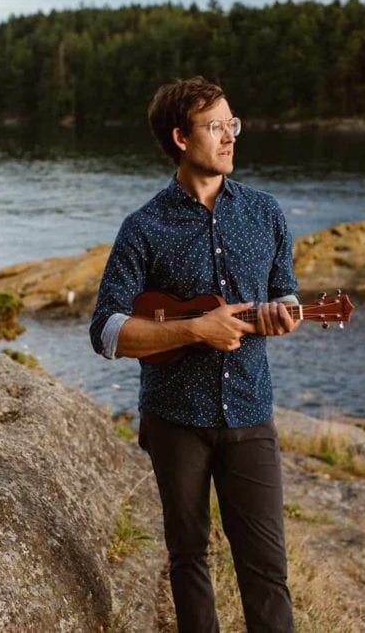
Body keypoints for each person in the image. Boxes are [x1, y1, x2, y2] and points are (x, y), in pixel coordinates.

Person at [89, 76, 299, 632]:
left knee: (267, 568)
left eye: (233, 124)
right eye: (216, 127)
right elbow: (107, 331)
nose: (230, 137)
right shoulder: (143, 228)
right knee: (188, 557)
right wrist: (195, 330)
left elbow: (286, 294)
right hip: (175, 418)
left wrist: (283, 317)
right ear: (182, 138)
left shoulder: (266, 213)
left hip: (251, 412)